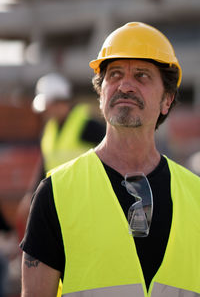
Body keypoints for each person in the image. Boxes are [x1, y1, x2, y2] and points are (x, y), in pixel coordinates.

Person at [20, 22, 200, 297]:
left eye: (141, 76)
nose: (125, 85)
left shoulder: (197, 196)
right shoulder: (55, 193)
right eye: (114, 74)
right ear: (101, 93)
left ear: (167, 99)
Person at [15, 72, 105, 242]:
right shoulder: (49, 130)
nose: (44, 113)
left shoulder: (88, 126)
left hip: (87, 206)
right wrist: (31, 196)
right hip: (60, 206)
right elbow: (45, 165)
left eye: (47, 106)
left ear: (60, 102)